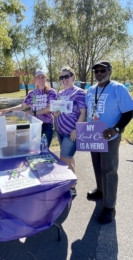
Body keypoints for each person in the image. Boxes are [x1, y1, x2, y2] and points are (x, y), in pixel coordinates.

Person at [85, 61, 133, 224]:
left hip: (109, 137)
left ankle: (109, 207)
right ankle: (101, 191)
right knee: (97, 166)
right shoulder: (90, 90)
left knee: (109, 171)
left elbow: (128, 113)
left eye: (102, 70)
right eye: (96, 71)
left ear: (110, 71)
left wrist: (116, 129)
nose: (99, 73)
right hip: (93, 136)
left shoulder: (118, 88)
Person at [53, 67, 86, 197]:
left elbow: (83, 112)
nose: (64, 79)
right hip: (60, 130)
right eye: (61, 77)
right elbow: (57, 112)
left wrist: (77, 129)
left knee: (64, 158)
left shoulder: (80, 92)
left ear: (73, 77)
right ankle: (73, 178)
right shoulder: (60, 93)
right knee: (69, 157)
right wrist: (56, 113)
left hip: (71, 132)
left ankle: (71, 187)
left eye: (66, 76)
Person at [1, 70, 57, 147]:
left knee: (44, 149)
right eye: (38, 77)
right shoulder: (32, 93)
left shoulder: (51, 92)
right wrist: (9, 109)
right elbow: (22, 106)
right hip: (34, 125)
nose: (41, 79)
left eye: (42, 77)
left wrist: (34, 112)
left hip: (47, 125)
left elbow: (50, 108)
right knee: (33, 148)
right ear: (35, 80)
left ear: (46, 78)